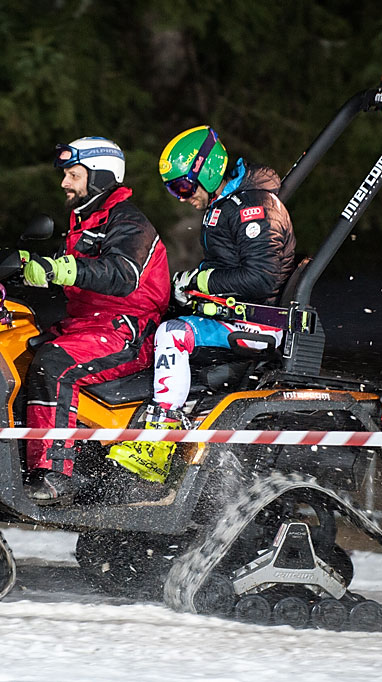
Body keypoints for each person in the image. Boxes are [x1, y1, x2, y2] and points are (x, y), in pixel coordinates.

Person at [107, 126, 295, 484]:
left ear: (206, 171)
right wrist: (190, 287)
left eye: (182, 186)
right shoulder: (228, 205)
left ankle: (161, 440)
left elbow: (262, 278)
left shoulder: (255, 209)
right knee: (156, 320)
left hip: (260, 323)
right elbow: (226, 269)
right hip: (233, 315)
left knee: (173, 334)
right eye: (172, 189)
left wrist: (201, 282)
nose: (181, 197)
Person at [21, 136, 170, 505]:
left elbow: (122, 274)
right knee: (19, 349)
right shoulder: (83, 222)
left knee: (54, 366)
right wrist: (19, 263)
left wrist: (61, 268)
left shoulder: (130, 222)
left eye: (73, 174)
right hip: (85, 324)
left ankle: (55, 473)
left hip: (124, 330)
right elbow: (62, 270)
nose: (65, 184)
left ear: (100, 176)